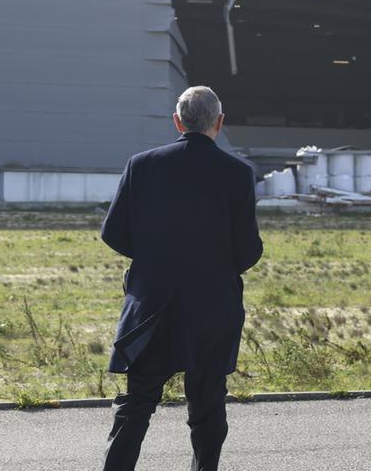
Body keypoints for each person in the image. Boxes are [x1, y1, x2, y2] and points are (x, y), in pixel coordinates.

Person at [99, 86, 263, 471]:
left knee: (136, 405)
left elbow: (113, 233)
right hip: (212, 307)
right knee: (208, 406)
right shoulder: (238, 173)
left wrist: (153, 259)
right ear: (219, 122)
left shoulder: (141, 165)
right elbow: (248, 251)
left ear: (177, 121)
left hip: (152, 303)